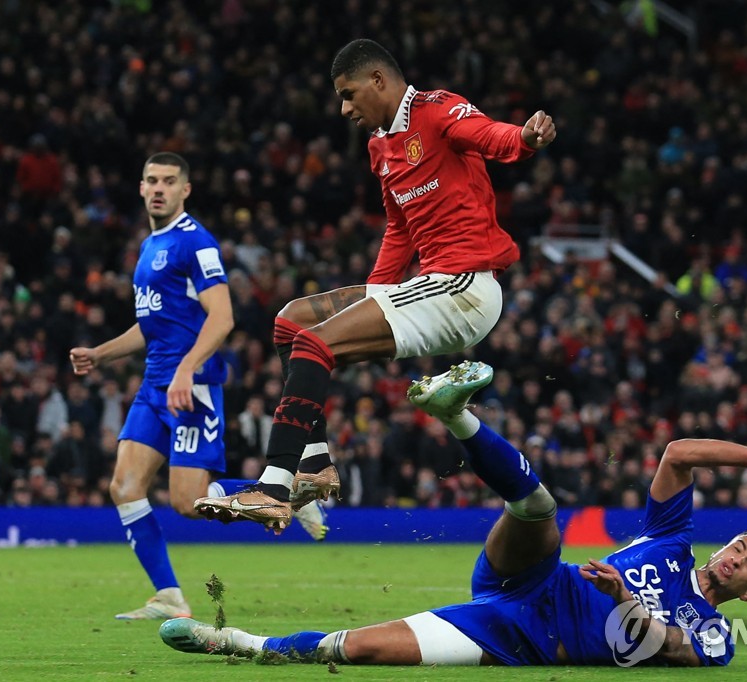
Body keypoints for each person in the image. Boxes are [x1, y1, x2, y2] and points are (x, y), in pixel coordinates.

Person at [164, 361, 747, 666]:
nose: (736, 557)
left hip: (519, 636)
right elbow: (677, 453)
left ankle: (238, 643)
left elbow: (673, 650)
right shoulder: (672, 540)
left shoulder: (717, 634)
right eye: (739, 546)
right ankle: (457, 414)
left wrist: (627, 603)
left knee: (356, 649)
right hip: (537, 582)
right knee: (538, 512)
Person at [194, 39, 557, 533]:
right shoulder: (379, 147)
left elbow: (488, 134)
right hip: (433, 284)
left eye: (348, 94)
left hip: (465, 286)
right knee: (292, 322)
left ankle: (274, 488)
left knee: (314, 341)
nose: (344, 108)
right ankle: (316, 464)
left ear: (379, 81)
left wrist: (526, 138)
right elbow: (399, 230)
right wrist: (374, 296)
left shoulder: (437, 109)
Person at [69, 153, 326, 621]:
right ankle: (169, 595)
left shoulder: (196, 243)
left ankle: (287, 490)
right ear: (142, 188)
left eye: (169, 180)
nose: (159, 188)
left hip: (193, 386)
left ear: (185, 189)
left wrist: (187, 369)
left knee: (188, 502)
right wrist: (100, 354)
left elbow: (223, 316)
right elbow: (151, 326)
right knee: (124, 486)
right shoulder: (150, 247)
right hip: (155, 387)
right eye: (152, 180)